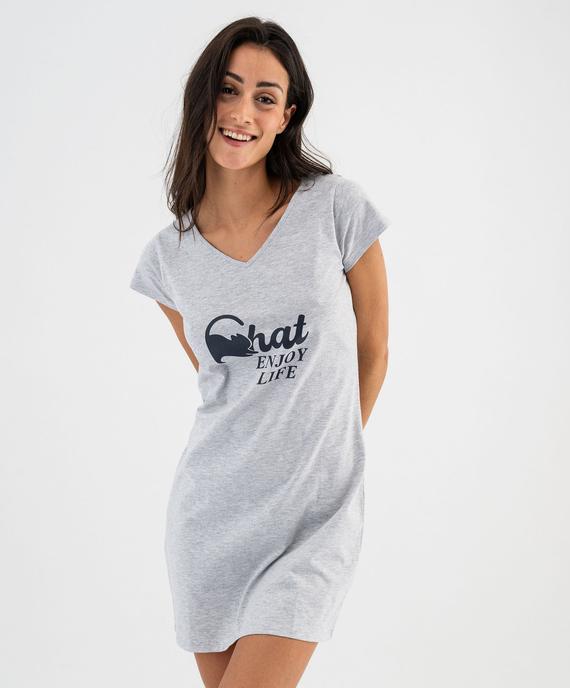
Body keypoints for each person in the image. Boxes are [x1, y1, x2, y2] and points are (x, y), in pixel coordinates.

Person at [129, 16, 391, 688]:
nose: (242, 112)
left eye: (264, 97)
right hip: (211, 520)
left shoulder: (336, 210)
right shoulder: (168, 260)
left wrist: (327, 454)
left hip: (315, 517)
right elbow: (225, 385)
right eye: (228, 89)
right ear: (203, 98)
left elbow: (373, 347)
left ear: (285, 117)